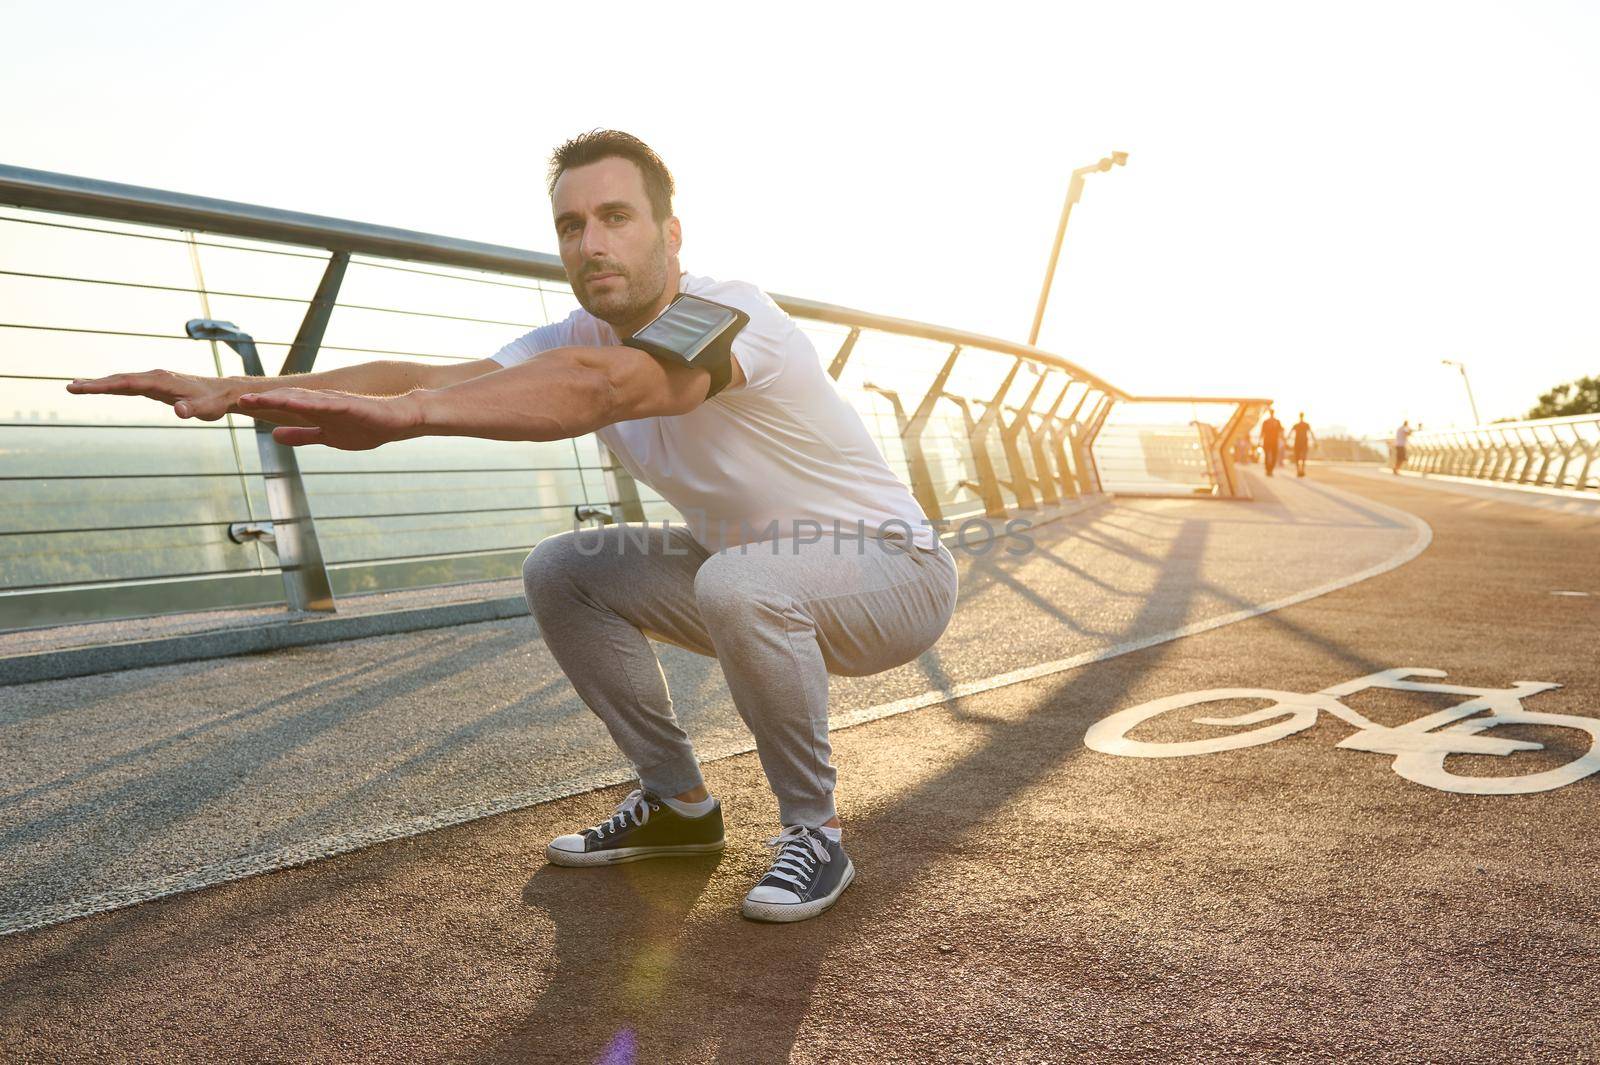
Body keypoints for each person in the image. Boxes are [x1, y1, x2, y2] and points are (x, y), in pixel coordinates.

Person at [65, 130, 960, 924]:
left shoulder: (729, 313)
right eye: (572, 226)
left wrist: (418, 416)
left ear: (671, 234)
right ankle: (679, 806)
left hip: (888, 571)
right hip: (749, 568)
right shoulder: (581, 330)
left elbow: (609, 389)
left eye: (616, 216)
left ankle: (817, 833)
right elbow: (432, 370)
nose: (592, 243)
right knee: (566, 566)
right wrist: (249, 392)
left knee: (741, 579)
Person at [1259, 408, 1284, 476]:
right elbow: (1281, 431)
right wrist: (1283, 439)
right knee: (1273, 456)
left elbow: (1262, 433)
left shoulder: (1266, 421)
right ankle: (1270, 470)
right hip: (1274, 441)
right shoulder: (1277, 421)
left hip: (1267, 441)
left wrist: (1259, 442)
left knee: (1267, 455)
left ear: (1270, 413)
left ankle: (1268, 470)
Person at [1290, 412, 1315, 477]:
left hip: (1297, 443)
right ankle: (1302, 470)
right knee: (1303, 457)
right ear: (1303, 416)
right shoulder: (1306, 424)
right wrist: (1314, 441)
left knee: (1297, 458)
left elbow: (1290, 433)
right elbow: (1311, 433)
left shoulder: (1296, 425)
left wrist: (1287, 440)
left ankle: (1299, 470)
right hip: (1304, 443)